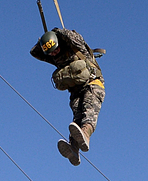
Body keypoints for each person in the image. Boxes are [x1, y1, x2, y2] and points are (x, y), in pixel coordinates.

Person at [31, 28, 105, 166]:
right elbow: (34, 52)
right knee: (76, 121)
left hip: (93, 84)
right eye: (50, 52)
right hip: (76, 91)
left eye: (55, 49)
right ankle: (73, 148)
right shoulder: (56, 58)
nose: (54, 53)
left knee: (88, 112)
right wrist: (44, 40)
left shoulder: (75, 46)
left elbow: (76, 36)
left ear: (59, 42)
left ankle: (86, 135)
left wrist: (56, 32)